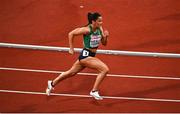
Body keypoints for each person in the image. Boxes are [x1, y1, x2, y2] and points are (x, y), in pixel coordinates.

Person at [46, 12, 109, 100]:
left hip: (90, 56)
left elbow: (104, 43)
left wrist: (105, 37)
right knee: (104, 69)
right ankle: (94, 91)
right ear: (93, 21)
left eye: (101, 21)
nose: (101, 23)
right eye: (99, 21)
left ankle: (52, 83)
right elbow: (71, 34)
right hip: (86, 56)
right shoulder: (87, 30)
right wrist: (71, 48)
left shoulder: (100, 29)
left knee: (71, 73)